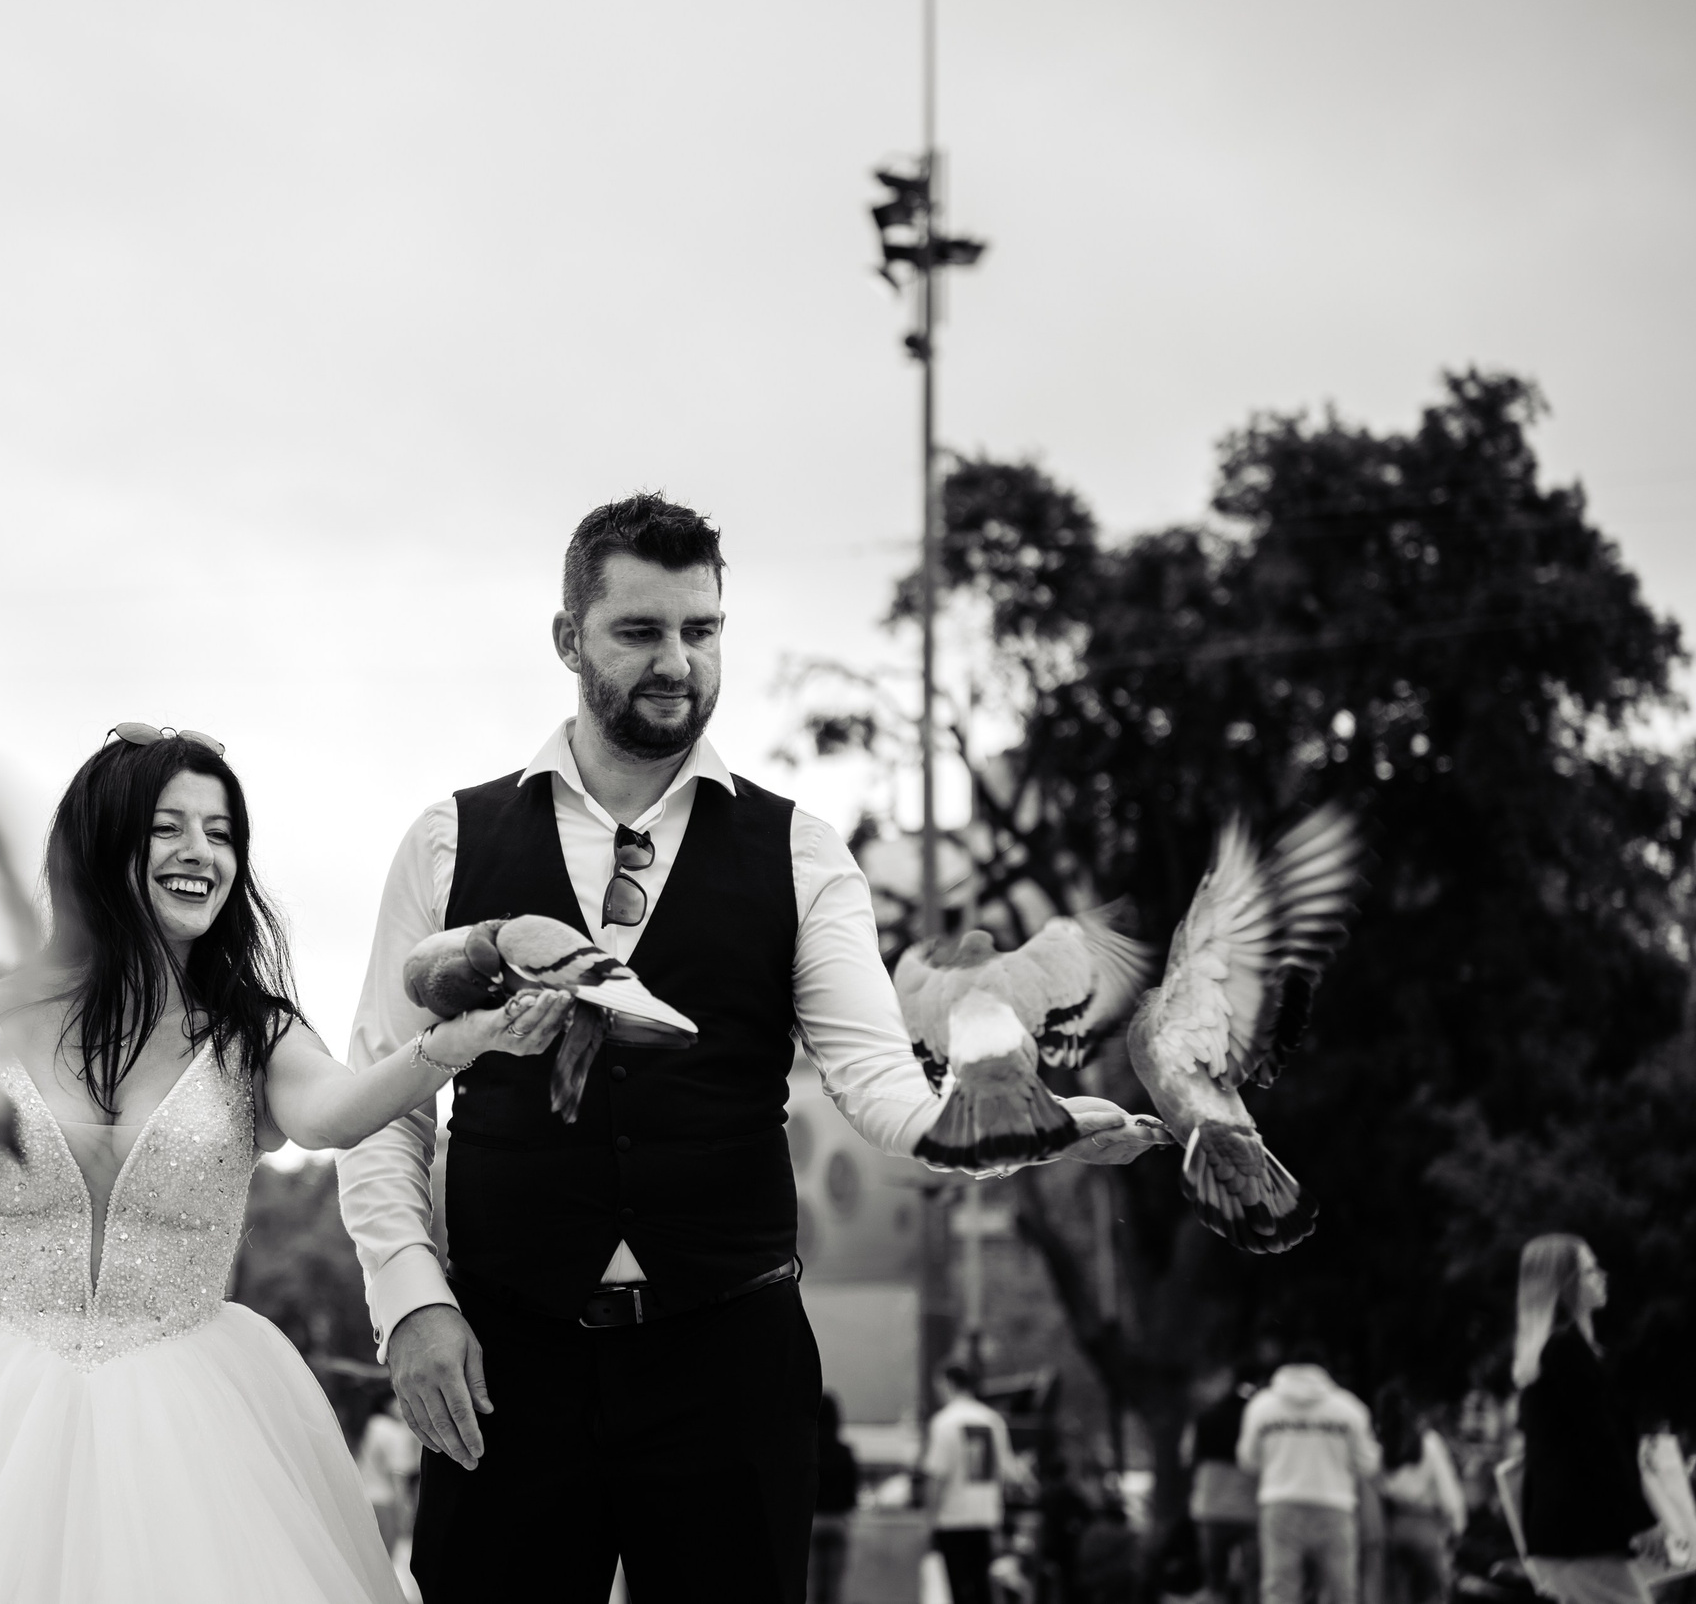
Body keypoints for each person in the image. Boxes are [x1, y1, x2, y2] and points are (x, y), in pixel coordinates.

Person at [336, 494, 1166, 1604]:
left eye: (701, 629)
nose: (676, 659)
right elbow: (381, 1102)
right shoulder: (448, 840)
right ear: (567, 638)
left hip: (728, 1362)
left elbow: (875, 1079)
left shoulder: (800, 852)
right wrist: (411, 1303)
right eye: (639, 631)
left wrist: (1018, 1127)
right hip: (504, 1360)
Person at [0, 724, 577, 1603]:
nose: (201, 853)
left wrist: (454, 1044)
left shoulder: (256, 1031)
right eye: (169, 827)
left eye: (221, 833)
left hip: (196, 1437)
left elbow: (335, 1112)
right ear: (105, 843)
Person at [1513, 1234, 1659, 1604]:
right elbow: (1600, 1445)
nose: (1602, 1276)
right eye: (1590, 1270)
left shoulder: (1552, 1354)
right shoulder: (1565, 1352)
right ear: (1565, 1285)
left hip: (1563, 1536)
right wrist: (1643, 1521)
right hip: (1580, 1537)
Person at [1237, 1343, 1380, 1604]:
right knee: (1341, 1589)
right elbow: (1369, 1464)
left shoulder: (1261, 1406)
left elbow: (1248, 1460)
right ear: (1324, 1370)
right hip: (1334, 1505)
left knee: (1280, 1588)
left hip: (1280, 1503)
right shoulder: (1348, 1408)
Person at [924, 1364, 1014, 1604]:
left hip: (953, 1518)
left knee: (959, 1587)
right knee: (983, 1586)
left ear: (948, 1384)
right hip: (986, 1516)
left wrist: (929, 1519)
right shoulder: (993, 1420)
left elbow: (936, 1475)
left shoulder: (944, 1422)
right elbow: (1005, 1472)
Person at [1373, 1385, 1465, 1604]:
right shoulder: (1428, 1443)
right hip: (1426, 1528)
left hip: (1392, 1528)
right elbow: (1447, 1490)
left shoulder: (1377, 1446)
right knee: (1432, 1595)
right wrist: (1458, 1526)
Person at [1186, 1365, 1261, 1604]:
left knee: (1214, 1580)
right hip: (1251, 1510)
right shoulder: (1257, 1419)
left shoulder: (1203, 1419)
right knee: (1254, 1579)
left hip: (1212, 1507)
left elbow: (1186, 1457)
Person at [354, 1396, 422, 1567]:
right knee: (382, 1564)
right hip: (385, 1502)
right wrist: (404, 1510)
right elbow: (398, 1475)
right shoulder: (394, 1431)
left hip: (363, 1497)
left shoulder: (374, 1424)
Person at [809, 1393, 861, 1604]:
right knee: (834, 1585)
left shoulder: (808, 1451)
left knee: (811, 1583)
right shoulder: (845, 1452)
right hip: (838, 1521)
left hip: (811, 1523)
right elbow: (852, 1492)